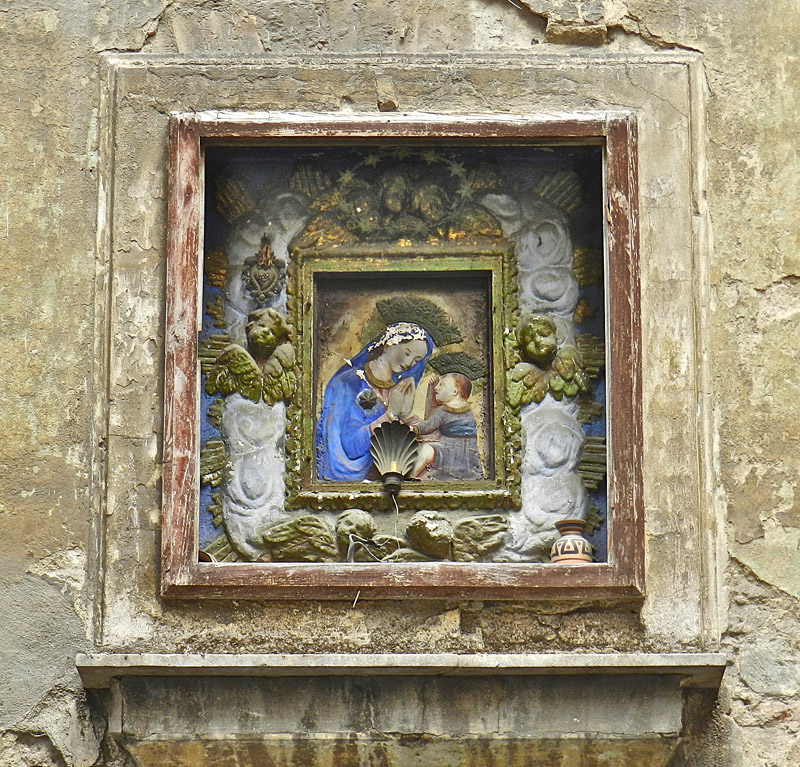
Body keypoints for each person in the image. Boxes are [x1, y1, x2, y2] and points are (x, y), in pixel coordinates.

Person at [316, 322, 433, 481]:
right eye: (407, 353)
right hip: (352, 476)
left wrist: (406, 416)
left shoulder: (397, 391)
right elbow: (349, 446)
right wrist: (390, 415)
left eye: (417, 360)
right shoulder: (350, 382)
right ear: (389, 345)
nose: (409, 363)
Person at [410, 372, 483, 480]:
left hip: (448, 452)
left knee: (426, 449)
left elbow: (428, 426)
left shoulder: (443, 411)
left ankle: (411, 475)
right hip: (469, 456)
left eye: (442, 385)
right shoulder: (469, 411)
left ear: (454, 392)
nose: (436, 388)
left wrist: (413, 429)